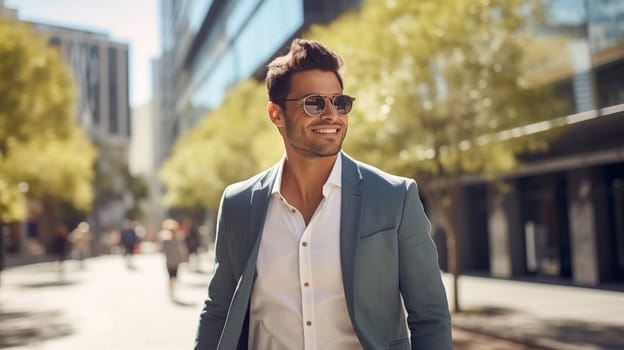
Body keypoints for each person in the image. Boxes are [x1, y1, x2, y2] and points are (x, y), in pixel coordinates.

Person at [194, 39, 452, 350]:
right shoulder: (239, 204)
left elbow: (429, 314)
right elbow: (219, 310)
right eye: (314, 103)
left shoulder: (395, 197)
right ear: (276, 114)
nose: (331, 115)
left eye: (340, 103)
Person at [159, 218, 188, 301]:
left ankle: (171, 290)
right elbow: (182, 250)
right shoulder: (178, 239)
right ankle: (173, 289)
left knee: (170, 276)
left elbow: (161, 250)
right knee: (174, 276)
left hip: (169, 261)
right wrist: (184, 259)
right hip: (176, 261)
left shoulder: (166, 239)